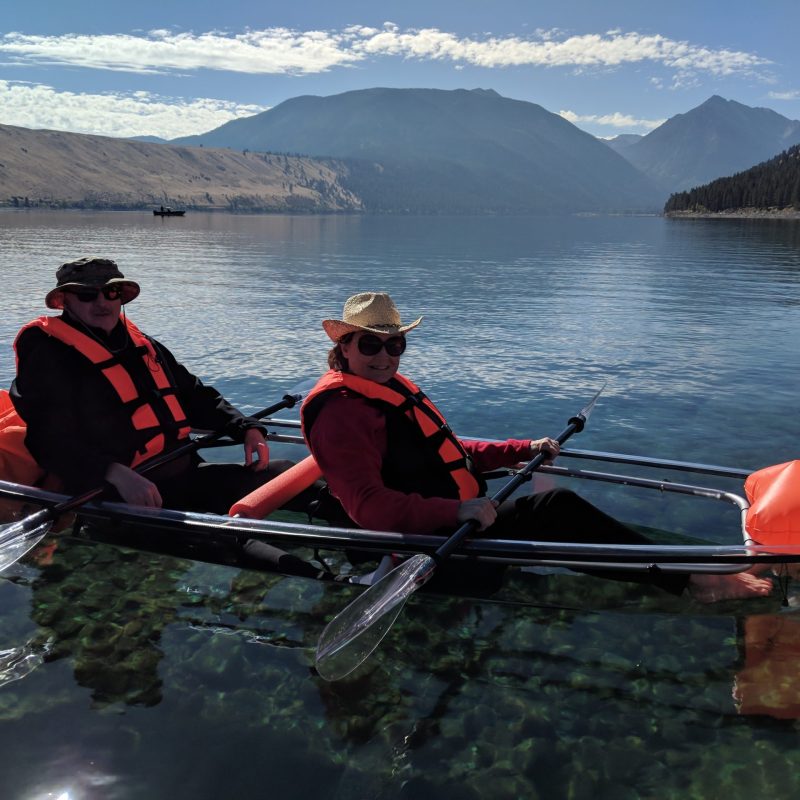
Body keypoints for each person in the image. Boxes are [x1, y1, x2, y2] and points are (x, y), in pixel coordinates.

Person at [301, 291, 773, 603]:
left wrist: (517, 449)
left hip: (462, 514)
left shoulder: (389, 388)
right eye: (370, 345)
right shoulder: (341, 412)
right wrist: (457, 512)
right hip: (429, 535)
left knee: (554, 509)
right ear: (345, 347)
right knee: (556, 507)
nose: (384, 356)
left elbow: (443, 449)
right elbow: (367, 508)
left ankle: (677, 570)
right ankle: (694, 580)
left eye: (395, 345)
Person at [10, 257, 293, 515]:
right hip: (120, 497)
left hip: (184, 473)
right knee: (248, 546)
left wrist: (245, 427)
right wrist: (114, 472)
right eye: (87, 295)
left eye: (111, 293)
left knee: (288, 476)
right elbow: (46, 440)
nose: (102, 303)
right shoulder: (47, 353)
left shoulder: (138, 341)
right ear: (65, 301)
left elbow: (192, 393)